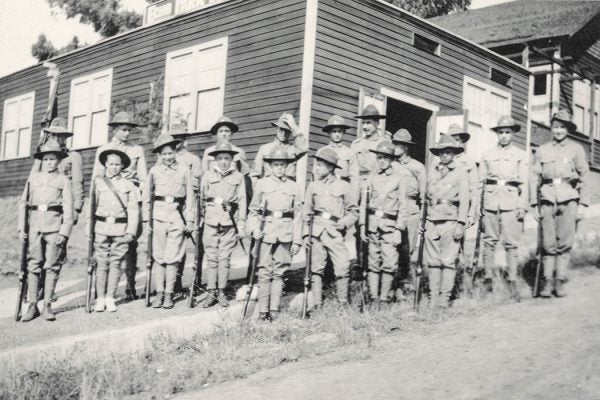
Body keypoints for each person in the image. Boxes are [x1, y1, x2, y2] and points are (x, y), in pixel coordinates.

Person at [530, 110, 589, 298]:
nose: (559, 130)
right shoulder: (542, 150)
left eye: (562, 127)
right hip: (547, 198)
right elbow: (533, 177)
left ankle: (560, 281)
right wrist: (533, 204)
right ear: (551, 128)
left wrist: (583, 204)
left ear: (568, 129)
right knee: (548, 243)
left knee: (564, 242)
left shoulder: (576, 149)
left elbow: (585, 176)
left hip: (569, 199)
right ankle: (547, 282)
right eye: (556, 126)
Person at [92, 111, 147, 300]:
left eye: (129, 130)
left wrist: (130, 182)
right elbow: (97, 180)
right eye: (123, 130)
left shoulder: (137, 150)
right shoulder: (103, 150)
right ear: (114, 129)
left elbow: (143, 179)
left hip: (129, 201)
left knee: (130, 244)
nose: (126, 134)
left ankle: (130, 287)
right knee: (103, 250)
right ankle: (102, 293)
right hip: (108, 202)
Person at [29, 117, 84, 302]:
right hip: (41, 214)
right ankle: (34, 291)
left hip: (61, 211)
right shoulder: (43, 155)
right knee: (36, 255)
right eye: (53, 134)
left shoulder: (73, 157)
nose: (57, 138)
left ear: (65, 137)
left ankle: (48, 292)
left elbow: (77, 184)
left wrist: (76, 210)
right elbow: (32, 182)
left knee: (56, 254)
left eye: (60, 135)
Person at [18, 140, 74, 322]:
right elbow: (23, 204)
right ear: (41, 160)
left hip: (54, 227)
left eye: (53, 159)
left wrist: (64, 232)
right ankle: (32, 305)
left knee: (51, 266)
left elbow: (68, 208)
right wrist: (21, 227)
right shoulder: (33, 179)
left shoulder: (63, 180)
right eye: (46, 159)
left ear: (59, 161)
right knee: (33, 265)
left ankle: (48, 305)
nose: (49, 162)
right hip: (34, 226)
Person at [248, 147, 302, 320]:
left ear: (287, 166)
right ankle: (263, 311)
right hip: (266, 232)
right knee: (264, 271)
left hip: (286, 232)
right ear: (270, 166)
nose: (279, 168)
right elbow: (253, 211)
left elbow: (298, 215)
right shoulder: (262, 184)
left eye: (282, 165)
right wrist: (254, 228)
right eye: (276, 164)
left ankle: (274, 310)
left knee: (279, 272)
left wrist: (297, 240)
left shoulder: (294, 186)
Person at [479, 116, 528, 299]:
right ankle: (488, 279)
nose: (504, 136)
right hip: (491, 203)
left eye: (508, 132)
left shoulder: (520, 155)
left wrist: (522, 206)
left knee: (511, 244)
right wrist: (480, 207)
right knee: (489, 242)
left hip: (510, 203)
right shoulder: (487, 155)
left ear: (513, 133)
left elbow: (524, 183)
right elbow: (480, 183)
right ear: (497, 134)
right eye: (501, 132)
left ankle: (512, 280)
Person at [304, 147, 359, 309]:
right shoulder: (313, 186)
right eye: (316, 165)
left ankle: (342, 303)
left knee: (342, 266)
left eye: (320, 165)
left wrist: (344, 223)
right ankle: (317, 304)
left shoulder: (344, 186)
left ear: (330, 167)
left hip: (335, 231)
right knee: (316, 268)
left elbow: (353, 211)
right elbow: (306, 211)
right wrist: (306, 234)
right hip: (316, 231)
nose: (316, 168)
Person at [145, 135, 194, 309]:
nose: (167, 157)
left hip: (176, 218)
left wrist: (190, 219)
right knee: (159, 258)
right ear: (159, 155)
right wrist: (147, 220)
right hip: (158, 217)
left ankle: (169, 294)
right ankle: (159, 293)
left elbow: (190, 197)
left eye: (170, 153)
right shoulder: (154, 171)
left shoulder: (184, 170)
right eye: (163, 154)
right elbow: (147, 198)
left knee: (172, 258)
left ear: (175, 152)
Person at [423, 135, 469, 309]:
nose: (444, 156)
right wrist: (424, 221)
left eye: (448, 152)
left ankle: (444, 298)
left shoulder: (460, 173)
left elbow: (465, 200)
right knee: (433, 261)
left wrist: (461, 223)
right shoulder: (432, 171)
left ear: (454, 154)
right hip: (432, 220)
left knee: (448, 261)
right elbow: (425, 198)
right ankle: (433, 297)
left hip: (450, 220)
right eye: (442, 152)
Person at [200, 141, 247, 308]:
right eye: (220, 158)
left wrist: (241, 224)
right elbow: (202, 199)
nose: (223, 161)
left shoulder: (238, 177)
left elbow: (242, 201)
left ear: (232, 159)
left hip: (229, 222)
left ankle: (222, 291)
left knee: (225, 258)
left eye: (227, 158)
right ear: (215, 160)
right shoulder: (207, 176)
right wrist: (201, 218)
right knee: (212, 257)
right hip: (211, 221)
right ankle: (211, 291)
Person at [92, 149, 140, 312]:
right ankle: (100, 298)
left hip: (120, 229)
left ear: (122, 166)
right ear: (105, 164)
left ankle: (110, 297)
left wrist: (131, 231)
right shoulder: (98, 183)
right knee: (101, 262)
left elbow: (133, 210)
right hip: (101, 228)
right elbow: (91, 209)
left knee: (116, 263)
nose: (113, 167)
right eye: (110, 164)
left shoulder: (129, 185)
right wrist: (89, 229)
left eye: (117, 164)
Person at [360, 141, 407, 306]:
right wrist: (362, 226)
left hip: (389, 226)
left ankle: (384, 297)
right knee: (373, 262)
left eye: (385, 158)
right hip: (373, 225)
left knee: (389, 263)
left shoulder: (399, 179)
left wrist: (399, 229)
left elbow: (403, 206)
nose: (381, 161)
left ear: (391, 159)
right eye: (379, 157)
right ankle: (373, 298)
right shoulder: (371, 178)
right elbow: (363, 204)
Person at [390, 129, 426, 300]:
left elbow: (424, 195)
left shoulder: (418, 167)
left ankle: (406, 284)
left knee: (408, 250)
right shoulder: (391, 165)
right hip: (394, 209)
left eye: (396, 144)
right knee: (392, 248)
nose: (393, 147)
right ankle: (392, 286)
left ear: (405, 147)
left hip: (411, 210)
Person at [169, 122, 203, 296]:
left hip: (187, 204)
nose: (177, 141)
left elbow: (196, 185)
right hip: (171, 205)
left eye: (180, 137)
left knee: (187, 244)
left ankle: (187, 282)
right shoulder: (166, 156)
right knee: (172, 244)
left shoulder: (193, 160)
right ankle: (170, 283)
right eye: (174, 137)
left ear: (185, 139)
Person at [202, 116, 253, 207]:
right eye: (221, 131)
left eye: (227, 131)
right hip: (213, 198)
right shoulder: (209, 152)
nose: (224, 134)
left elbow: (244, 177)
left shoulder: (239, 152)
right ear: (217, 134)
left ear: (231, 133)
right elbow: (204, 176)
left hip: (231, 197)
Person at [441, 124, 478, 227]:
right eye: (451, 139)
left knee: (456, 240)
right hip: (440, 210)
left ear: (462, 141)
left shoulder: (468, 162)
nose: (454, 142)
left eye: (457, 139)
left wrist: (471, 214)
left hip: (459, 210)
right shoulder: (439, 159)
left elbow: (474, 190)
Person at [252, 113, 307, 181]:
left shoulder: (293, 149)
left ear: (290, 132)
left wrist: (294, 126)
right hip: (269, 188)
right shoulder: (264, 149)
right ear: (276, 129)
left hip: (287, 187)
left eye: (287, 131)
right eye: (281, 129)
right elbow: (254, 174)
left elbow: (304, 148)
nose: (283, 133)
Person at [314, 115, 358, 184]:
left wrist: (352, 194)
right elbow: (316, 175)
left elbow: (354, 178)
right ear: (329, 133)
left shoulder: (349, 153)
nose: (337, 134)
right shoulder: (321, 151)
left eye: (339, 131)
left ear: (344, 132)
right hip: (325, 187)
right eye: (334, 131)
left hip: (343, 188)